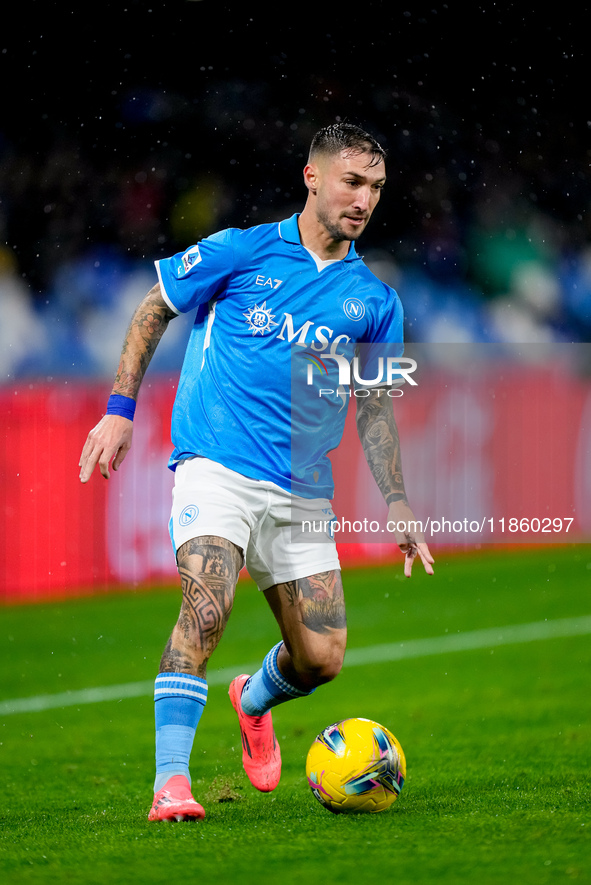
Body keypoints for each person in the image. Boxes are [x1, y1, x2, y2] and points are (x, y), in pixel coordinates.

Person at [79, 122, 434, 822]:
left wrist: (397, 501)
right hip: (216, 465)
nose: (364, 199)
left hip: (301, 488)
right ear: (312, 177)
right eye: (352, 182)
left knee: (321, 658)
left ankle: (253, 699)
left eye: (376, 188)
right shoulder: (242, 250)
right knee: (206, 604)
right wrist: (120, 409)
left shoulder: (375, 301)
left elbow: (375, 405)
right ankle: (170, 785)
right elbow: (155, 307)